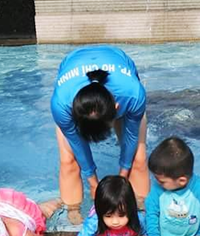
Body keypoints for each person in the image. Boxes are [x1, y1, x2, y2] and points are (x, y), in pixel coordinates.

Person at [50, 45, 148, 224]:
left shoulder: (133, 95)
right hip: (72, 64)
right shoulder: (62, 105)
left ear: (116, 109)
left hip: (118, 63)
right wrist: (93, 182)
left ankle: (140, 211)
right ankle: (73, 215)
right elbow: (77, 144)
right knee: (68, 161)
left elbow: (131, 136)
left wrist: (122, 178)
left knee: (139, 159)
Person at [143, 137, 200, 236]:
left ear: (182, 180)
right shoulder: (158, 189)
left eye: (161, 181)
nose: (156, 182)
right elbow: (151, 213)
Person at [68, 175, 148, 236]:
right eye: (109, 216)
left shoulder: (138, 218)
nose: (115, 222)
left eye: (121, 215)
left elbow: (143, 234)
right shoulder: (94, 222)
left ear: (130, 211)